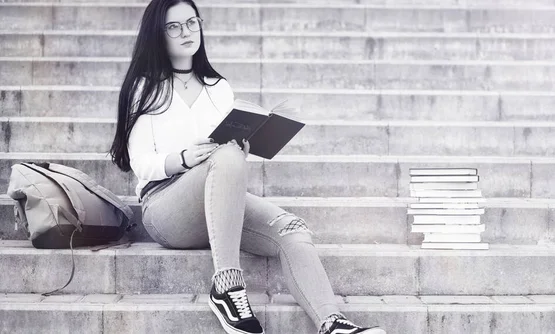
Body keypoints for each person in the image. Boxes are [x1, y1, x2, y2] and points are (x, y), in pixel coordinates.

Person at [109, 1, 387, 333]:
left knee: (291, 229)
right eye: (174, 26)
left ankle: (333, 323)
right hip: (165, 206)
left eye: (192, 22)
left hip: (217, 202)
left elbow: (227, 158)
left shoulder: (219, 88)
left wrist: (241, 148)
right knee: (224, 156)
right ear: (158, 33)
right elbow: (139, 162)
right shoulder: (145, 88)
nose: (186, 32)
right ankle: (226, 286)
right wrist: (183, 158)